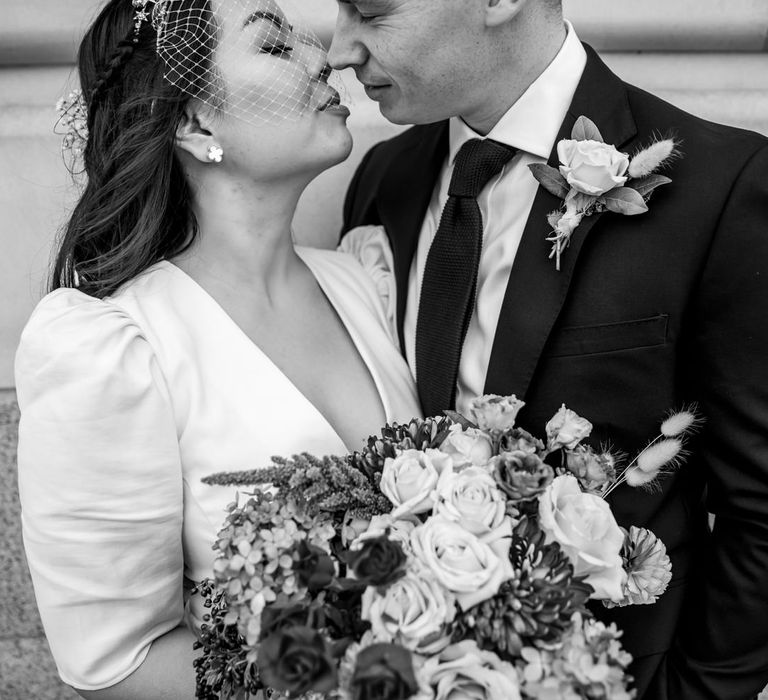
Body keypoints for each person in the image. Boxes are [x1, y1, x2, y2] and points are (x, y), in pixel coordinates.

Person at [329, 0, 768, 698]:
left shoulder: (723, 186)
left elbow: (761, 513)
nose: (340, 48)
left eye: (372, 13)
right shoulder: (388, 179)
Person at [15, 0, 420, 697]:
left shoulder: (367, 282)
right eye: (273, 44)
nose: (322, 54)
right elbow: (114, 664)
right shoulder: (114, 346)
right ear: (196, 123)